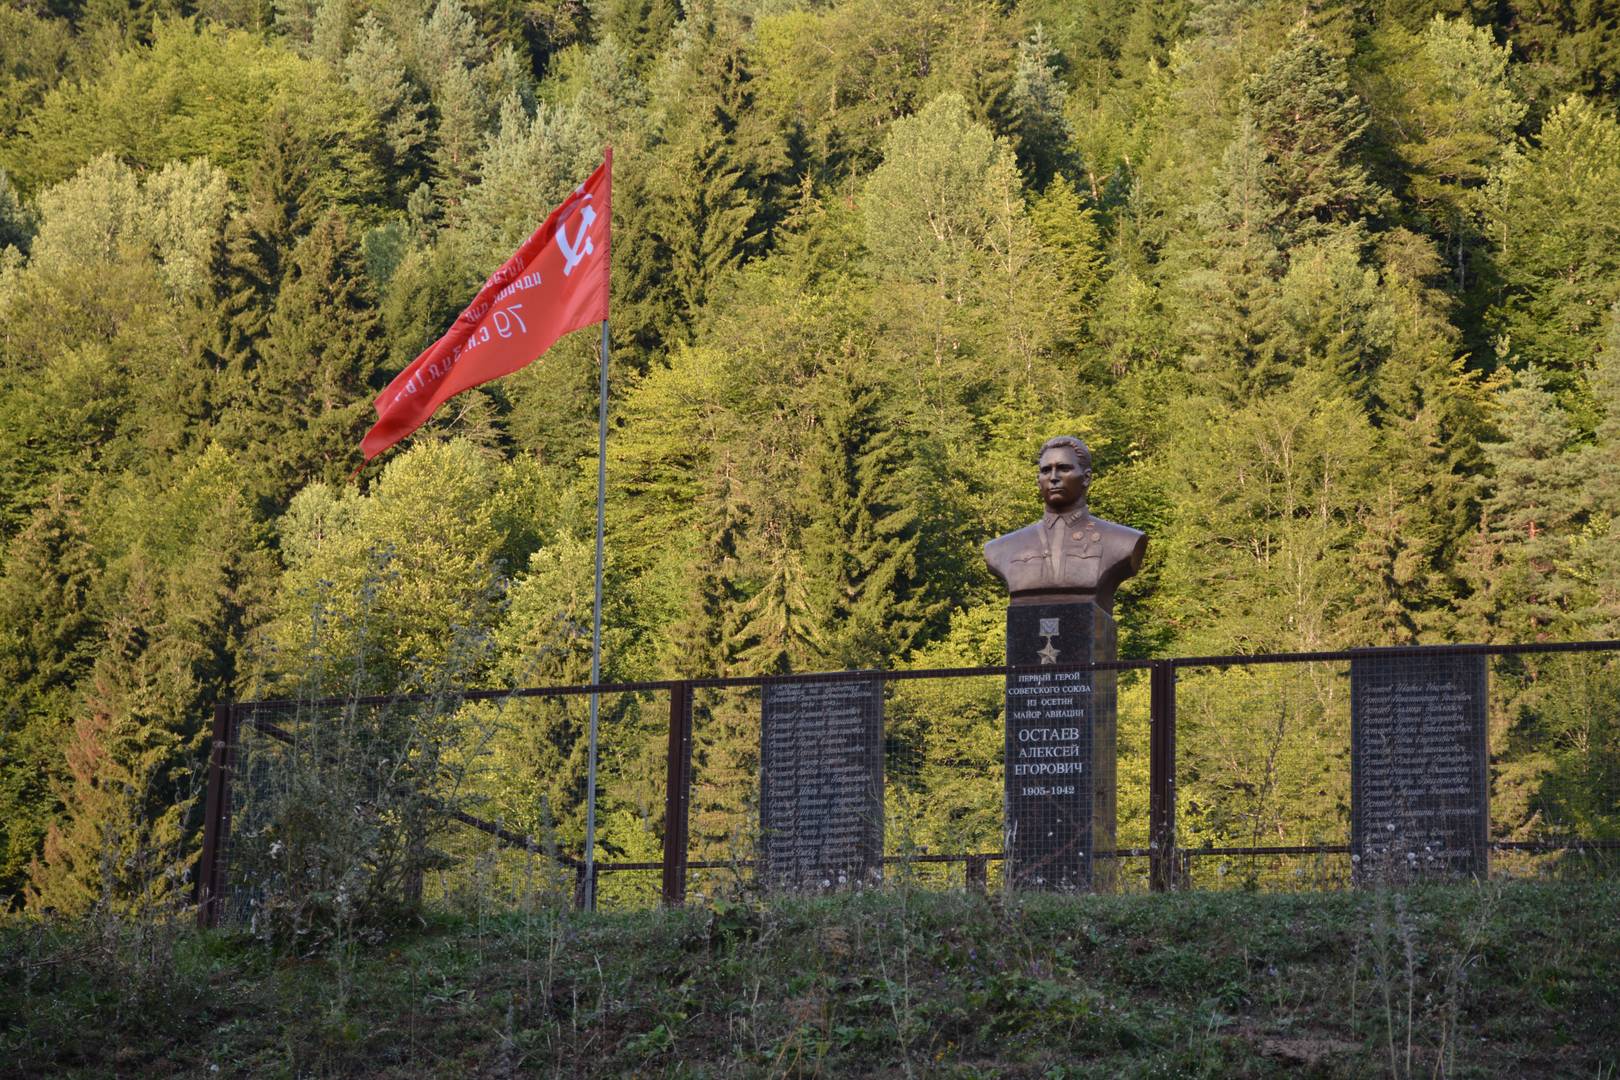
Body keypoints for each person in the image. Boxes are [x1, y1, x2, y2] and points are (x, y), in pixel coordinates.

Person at [983, 436, 1147, 611]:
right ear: (1038, 480)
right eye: (1046, 470)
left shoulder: (1122, 541)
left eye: (1063, 468)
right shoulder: (1002, 548)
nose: (1053, 477)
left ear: (1086, 478)